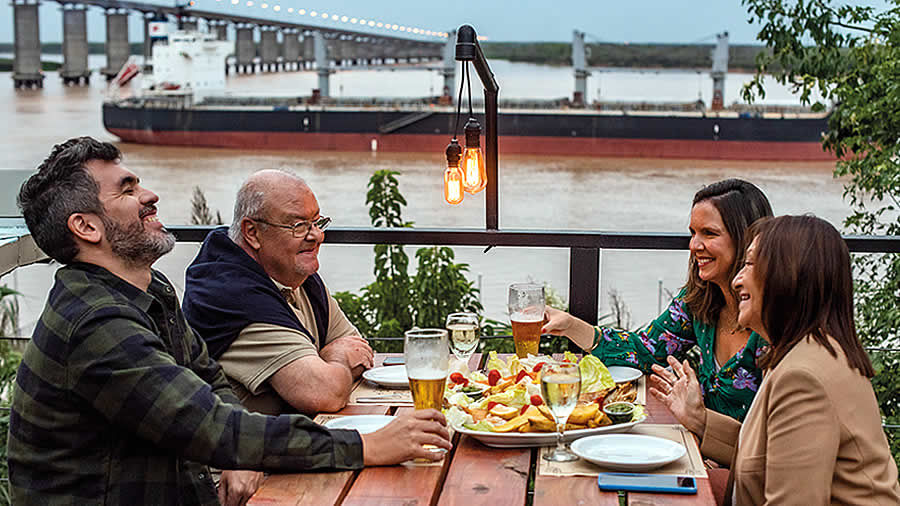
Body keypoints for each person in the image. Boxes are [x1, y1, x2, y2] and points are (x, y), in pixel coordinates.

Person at [8, 137, 451, 506]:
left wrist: (240, 453)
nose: (149, 196)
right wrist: (368, 446)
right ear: (86, 227)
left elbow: (210, 384)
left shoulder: (150, 291)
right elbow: (208, 425)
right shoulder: (95, 324)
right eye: (126, 191)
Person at [651, 215, 900, 505]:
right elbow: (768, 454)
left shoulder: (803, 378)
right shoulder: (802, 350)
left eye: (749, 264)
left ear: (787, 276)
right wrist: (701, 420)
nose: (736, 280)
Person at [543, 178, 772, 422]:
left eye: (709, 233)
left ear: (748, 241)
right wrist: (569, 325)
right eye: (693, 233)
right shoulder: (698, 301)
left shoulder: (774, 321)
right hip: (700, 448)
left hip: (746, 457)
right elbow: (644, 351)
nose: (694, 245)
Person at [183, 169, 373, 417]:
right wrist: (335, 356)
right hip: (247, 450)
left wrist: (324, 364)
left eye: (317, 222)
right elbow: (325, 394)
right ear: (252, 233)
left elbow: (361, 352)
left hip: (296, 438)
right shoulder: (234, 298)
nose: (316, 236)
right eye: (298, 225)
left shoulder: (294, 275)